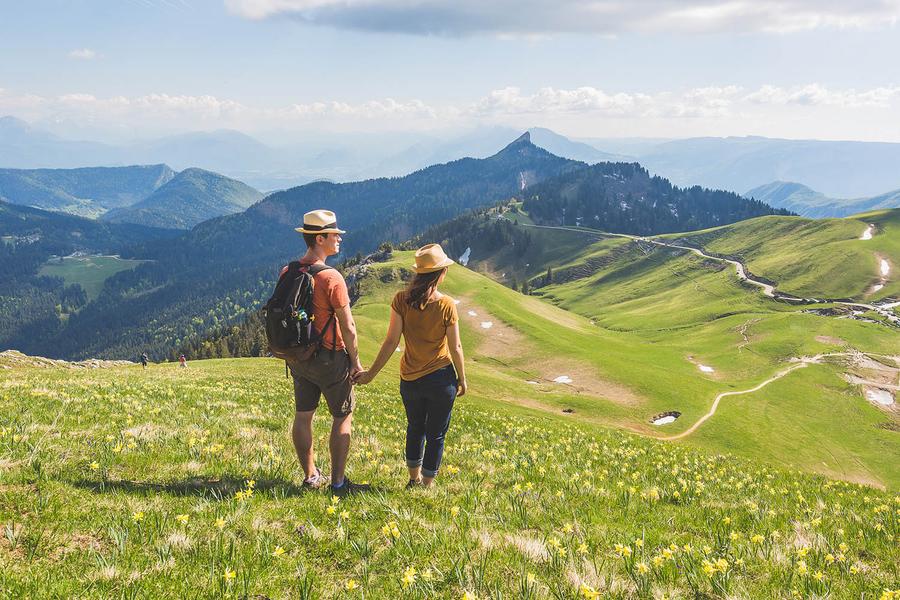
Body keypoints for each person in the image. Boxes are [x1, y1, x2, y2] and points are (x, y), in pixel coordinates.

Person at [355, 243, 467, 488]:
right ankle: (427, 483)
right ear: (441, 273)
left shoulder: (401, 300)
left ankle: (413, 478)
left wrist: (371, 374)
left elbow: (391, 341)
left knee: (415, 427)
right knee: (436, 433)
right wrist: (462, 378)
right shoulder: (446, 304)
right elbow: (456, 347)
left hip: (410, 378)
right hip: (441, 377)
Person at [285, 209, 368, 496]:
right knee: (342, 417)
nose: (339, 240)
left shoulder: (289, 271)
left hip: (299, 358)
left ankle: (310, 476)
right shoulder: (332, 278)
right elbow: (349, 326)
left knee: (303, 415)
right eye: (335, 235)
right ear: (320, 238)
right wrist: (355, 362)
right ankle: (338, 482)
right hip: (330, 358)